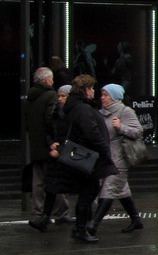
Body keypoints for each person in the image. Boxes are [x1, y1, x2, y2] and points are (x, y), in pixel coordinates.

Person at [44, 75, 117, 244]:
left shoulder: (74, 107)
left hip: (80, 155)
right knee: (88, 193)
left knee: (87, 192)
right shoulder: (83, 109)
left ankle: (80, 228)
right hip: (87, 157)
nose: (93, 92)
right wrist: (104, 149)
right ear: (86, 90)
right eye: (91, 88)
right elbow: (91, 133)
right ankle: (81, 229)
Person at [88, 84, 145, 235]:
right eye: (102, 94)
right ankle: (136, 220)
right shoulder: (100, 113)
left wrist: (121, 127)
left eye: (106, 95)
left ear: (114, 96)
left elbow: (138, 132)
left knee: (108, 190)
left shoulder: (125, 111)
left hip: (119, 159)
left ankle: (93, 225)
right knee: (122, 191)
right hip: (104, 158)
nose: (102, 98)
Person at [24, 67, 70, 231]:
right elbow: (51, 119)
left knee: (37, 180)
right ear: (46, 80)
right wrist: (54, 140)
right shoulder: (50, 95)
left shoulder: (30, 96)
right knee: (55, 179)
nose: (52, 82)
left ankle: (37, 212)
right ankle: (61, 213)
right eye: (51, 79)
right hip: (49, 144)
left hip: (35, 144)